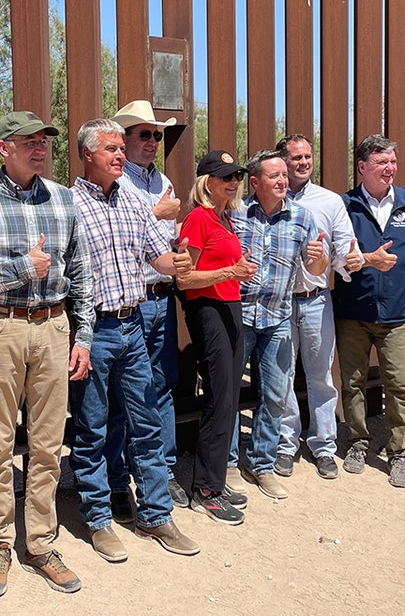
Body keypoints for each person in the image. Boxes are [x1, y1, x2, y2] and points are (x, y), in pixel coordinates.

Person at [0, 110, 95, 596]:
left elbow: (81, 271)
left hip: (53, 325)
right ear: (2, 148)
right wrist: (21, 268)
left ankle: (41, 543)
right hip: (0, 327)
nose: (39, 148)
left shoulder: (64, 199)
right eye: (27, 141)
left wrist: (84, 336)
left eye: (43, 141)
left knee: (49, 444)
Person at [68, 118, 199, 562]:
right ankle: (100, 520)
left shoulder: (131, 202)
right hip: (94, 331)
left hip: (134, 326)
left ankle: (156, 515)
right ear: (88, 154)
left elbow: (153, 256)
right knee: (92, 428)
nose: (121, 155)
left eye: (121, 148)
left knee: (145, 423)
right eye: (111, 148)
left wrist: (177, 264)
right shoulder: (68, 206)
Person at [333, 134, 405, 489]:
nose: (390, 169)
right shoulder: (344, 205)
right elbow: (338, 261)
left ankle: (398, 453)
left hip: (397, 314)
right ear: (362, 167)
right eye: (381, 163)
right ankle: (359, 443)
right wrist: (367, 261)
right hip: (353, 312)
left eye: (392, 162)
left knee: (400, 384)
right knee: (353, 382)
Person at [227, 149, 327, 500]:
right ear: (255, 182)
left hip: (278, 319)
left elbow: (314, 270)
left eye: (285, 175)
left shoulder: (302, 217)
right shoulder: (235, 213)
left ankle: (261, 464)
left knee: (274, 395)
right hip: (237, 317)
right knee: (229, 394)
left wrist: (318, 260)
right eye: (275, 176)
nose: (284, 180)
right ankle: (227, 464)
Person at [107, 100, 186, 516]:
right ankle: (119, 477)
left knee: (162, 387)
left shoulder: (162, 181)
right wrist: (157, 216)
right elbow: (120, 246)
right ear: (125, 139)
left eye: (157, 135)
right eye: (145, 134)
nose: (154, 141)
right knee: (126, 393)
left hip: (161, 296)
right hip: (133, 298)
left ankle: (162, 470)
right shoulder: (120, 184)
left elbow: (163, 248)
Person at [173, 150, 257, 525]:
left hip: (229, 307)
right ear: (206, 181)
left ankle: (216, 483)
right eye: (225, 176)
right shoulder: (198, 218)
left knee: (230, 397)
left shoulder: (225, 219)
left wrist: (237, 271)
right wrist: (230, 271)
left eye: (236, 176)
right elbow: (184, 278)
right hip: (208, 310)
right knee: (220, 397)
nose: (233, 182)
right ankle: (204, 490)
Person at [276, 133, 359, 479]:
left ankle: (324, 445)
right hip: (277, 304)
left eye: (308, 156)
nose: (303, 163)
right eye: (296, 157)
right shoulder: (266, 198)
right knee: (281, 377)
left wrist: (348, 259)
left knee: (321, 376)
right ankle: (285, 444)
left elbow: (345, 252)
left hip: (315, 301)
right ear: (283, 160)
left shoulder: (329, 202)